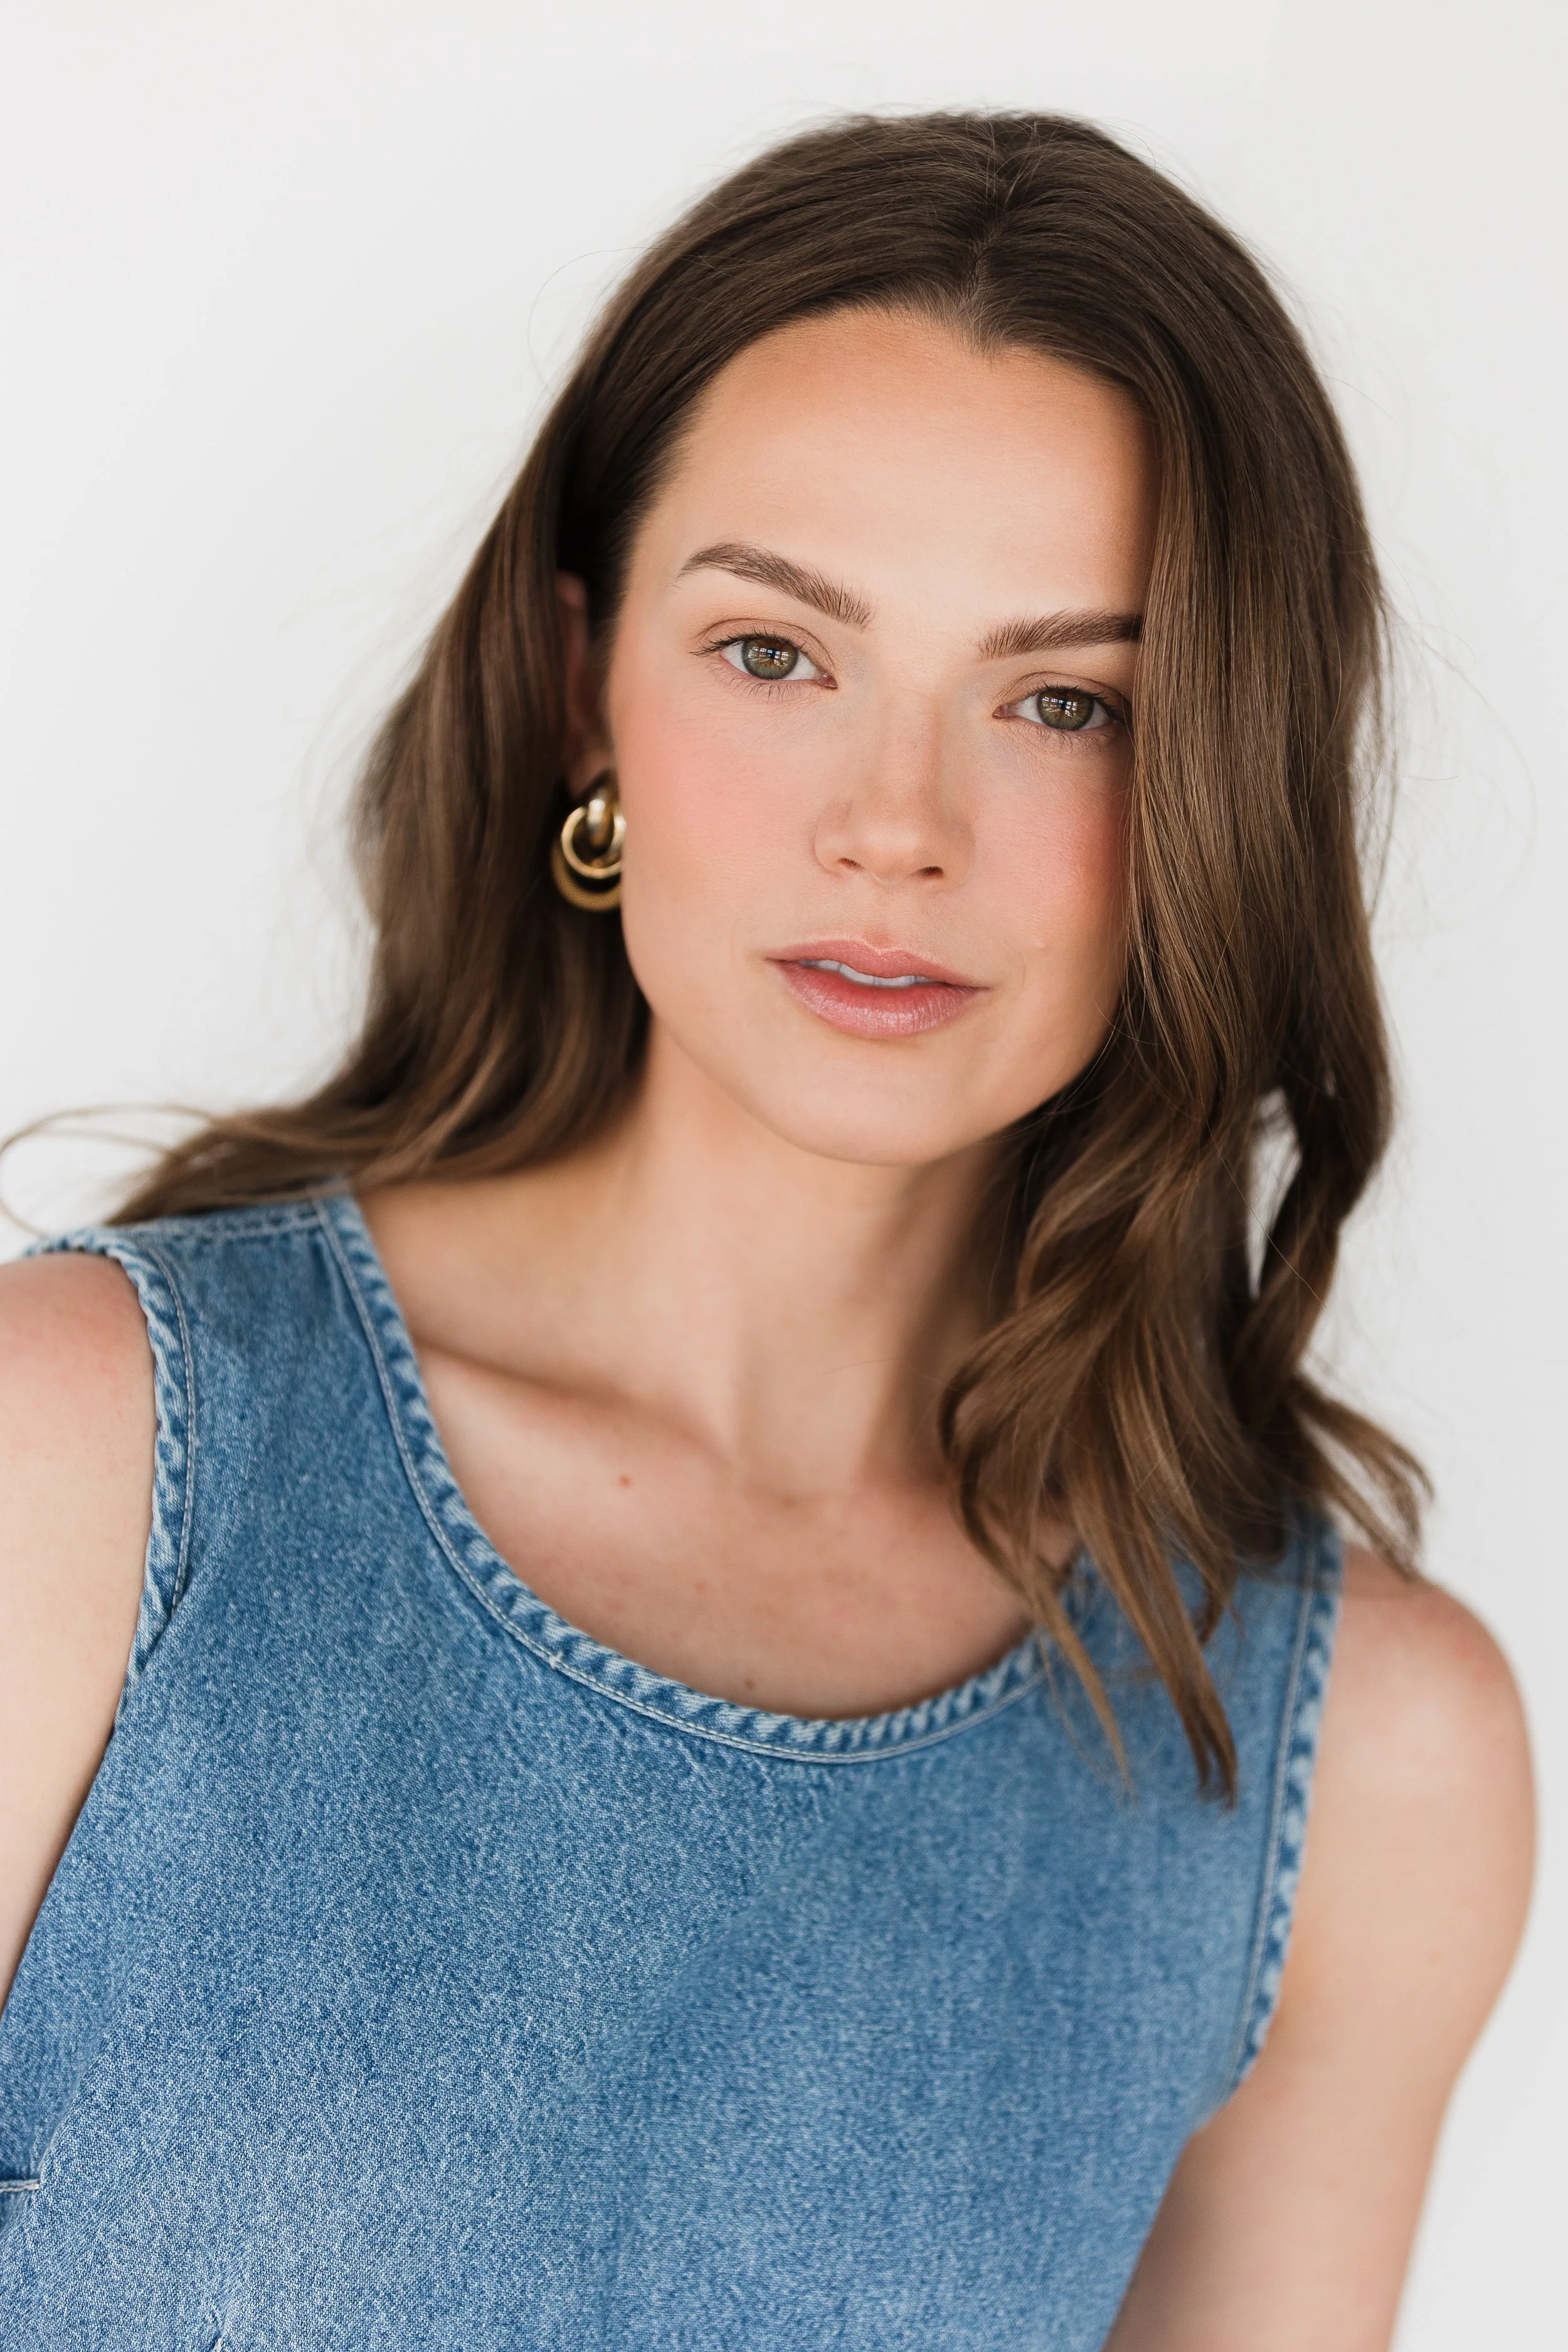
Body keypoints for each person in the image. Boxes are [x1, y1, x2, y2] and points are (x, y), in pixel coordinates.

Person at [0, 111, 1534, 2350]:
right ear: (580, 688)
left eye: (1065, 702)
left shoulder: (1351, 1763)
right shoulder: (84, 1460)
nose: (894, 827)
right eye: (773, 652)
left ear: (1218, 788)